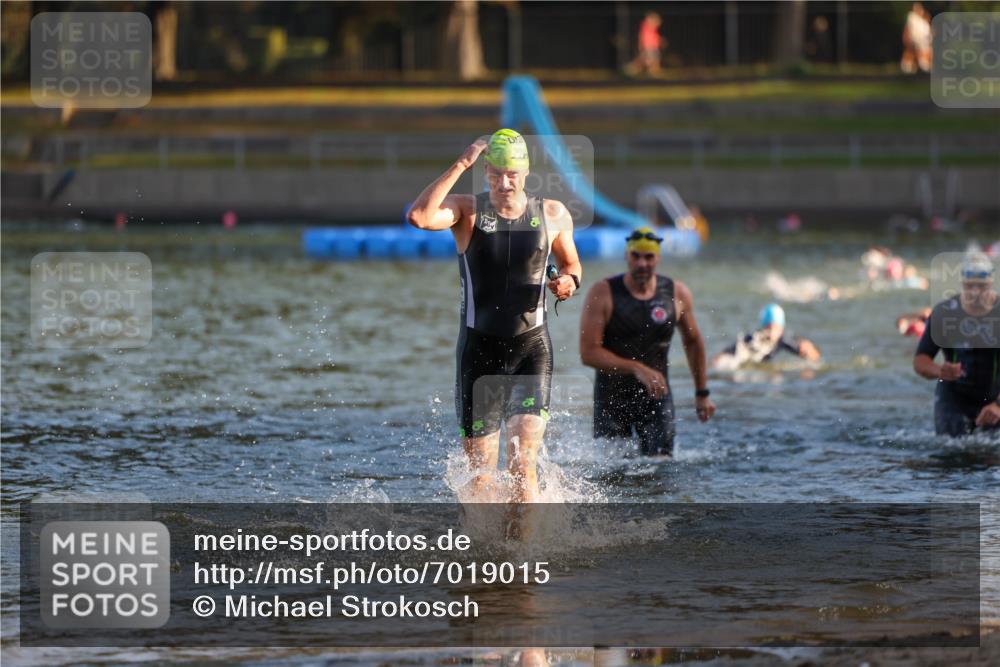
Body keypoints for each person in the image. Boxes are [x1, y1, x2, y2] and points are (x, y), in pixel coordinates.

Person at [407, 129, 582, 510]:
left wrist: (570, 282)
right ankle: (486, 545)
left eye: (512, 174)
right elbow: (419, 217)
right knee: (481, 478)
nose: (504, 183)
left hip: (531, 351)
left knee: (523, 466)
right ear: (485, 172)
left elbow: (571, 264)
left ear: (526, 173)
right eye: (496, 174)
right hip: (479, 354)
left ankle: (526, 546)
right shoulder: (467, 211)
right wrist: (461, 163)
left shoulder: (552, 213)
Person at [579, 227, 715, 457]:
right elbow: (588, 353)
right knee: (613, 470)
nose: (642, 263)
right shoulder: (603, 292)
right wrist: (636, 368)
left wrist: (702, 393)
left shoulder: (676, 293)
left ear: (658, 258)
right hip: (612, 399)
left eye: (649, 257)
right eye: (636, 256)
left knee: (661, 467)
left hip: (657, 397)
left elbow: (693, 341)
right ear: (626, 256)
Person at [913, 252, 1000, 436]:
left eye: (981, 286)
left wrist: (998, 405)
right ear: (962, 284)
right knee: (952, 448)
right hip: (953, 397)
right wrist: (939, 371)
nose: (975, 292)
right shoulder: (945, 313)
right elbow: (921, 360)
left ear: (991, 284)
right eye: (970, 286)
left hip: (995, 398)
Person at [711, 304, 821, 370]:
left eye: (774, 327)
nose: (772, 332)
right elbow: (808, 355)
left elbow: (732, 349)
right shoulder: (780, 339)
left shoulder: (753, 337)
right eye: (770, 327)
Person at [901, 2, 932, 74]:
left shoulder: (924, 19)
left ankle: (923, 65)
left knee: (925, 51)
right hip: (916, 39)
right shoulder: (912, 18)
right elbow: (908, 29)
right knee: (914, 51)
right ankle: (910, 66)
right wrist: (906, 36)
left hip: (924, 40)